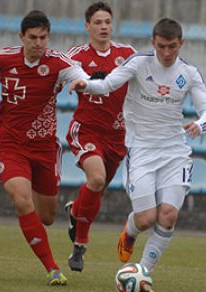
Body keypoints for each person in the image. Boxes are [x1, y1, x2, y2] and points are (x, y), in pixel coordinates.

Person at [69, 18, 206, 273]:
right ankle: (131, 229)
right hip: (141, 151)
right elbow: (107, 85)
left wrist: (200, 125)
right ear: (153, 43)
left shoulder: (188, 73)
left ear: (181, 43)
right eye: (161, 47)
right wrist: (87, 84)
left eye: (172, 46)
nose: (167, 53)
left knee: (168, 214)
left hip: (175, 152)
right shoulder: (138, 63)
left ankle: (143, 273)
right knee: (147, 219)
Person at [0, 10, 88, 286]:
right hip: (10, 144)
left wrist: (81, 83)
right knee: (21, 199)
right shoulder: (4, 59)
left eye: (43, 38)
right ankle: (52, 269)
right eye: (33, 38)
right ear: (22, 37)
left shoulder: (58, 63)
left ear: (47, 37)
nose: (38, 43)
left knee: (47, 217)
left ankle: (73, 213)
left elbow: (79, 76)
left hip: (44, 148)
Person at [64, 1, 135, 273]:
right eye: (98, 22)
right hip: (87, 128)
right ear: (87, 26)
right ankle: (80, 245)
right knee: (96, 179)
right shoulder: (76, 55)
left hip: (117, 135)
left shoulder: (127, 54)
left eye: (107, 22)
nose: (103, 27)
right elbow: (59, 78)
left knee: (98, 189)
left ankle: (74, 212)